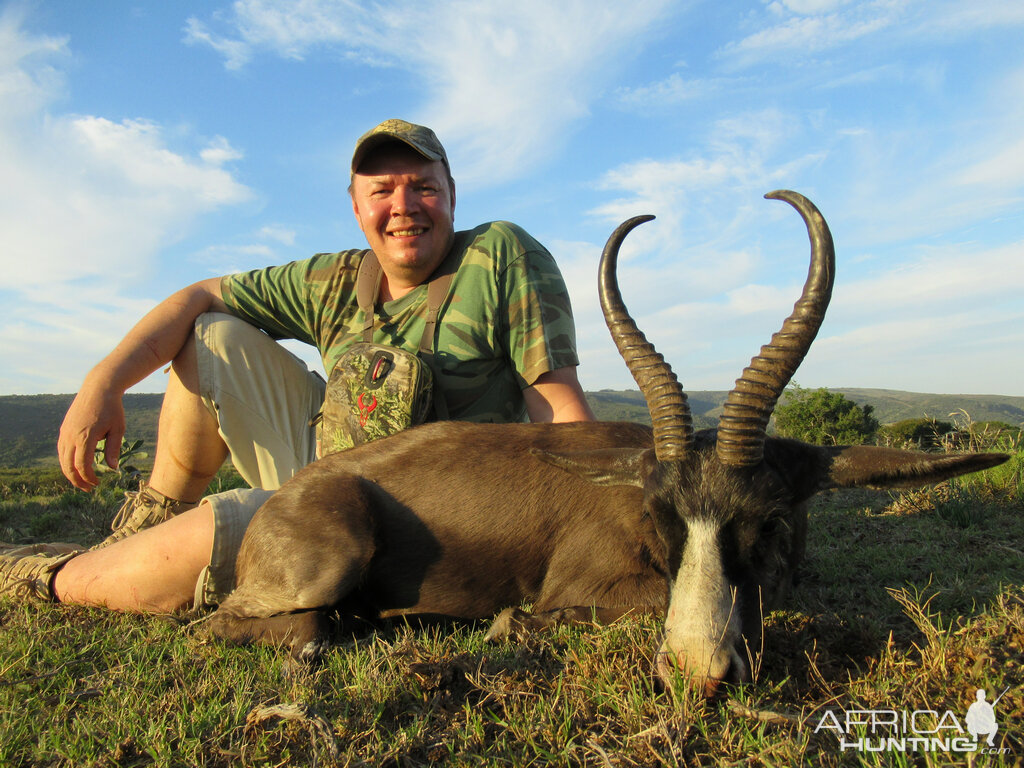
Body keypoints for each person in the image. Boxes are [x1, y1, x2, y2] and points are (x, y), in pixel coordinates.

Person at [1, 119, 595, 613]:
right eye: (382, 190)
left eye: (424, 188)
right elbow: (200, 294)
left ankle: (49, 577)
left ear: (453, 195)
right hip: (336, 482)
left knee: (232, 526)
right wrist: (101, 383)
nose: (404, 207)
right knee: (210, 335)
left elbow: (558, 405)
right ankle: (154, 520)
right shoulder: (334, 279)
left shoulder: (500, 255)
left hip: (429, 522)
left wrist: (588, 533)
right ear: (356, 207)